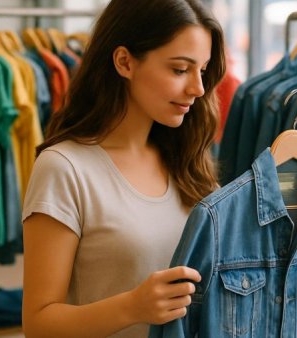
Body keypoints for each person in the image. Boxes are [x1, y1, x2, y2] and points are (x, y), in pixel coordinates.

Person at [21, 0, 225, 336]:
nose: (198, 89)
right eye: (179, 69)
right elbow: (38, 324)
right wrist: (133, 306)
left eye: (201, 71)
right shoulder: (65, 169)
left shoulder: (189, 163)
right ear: (124, 62)